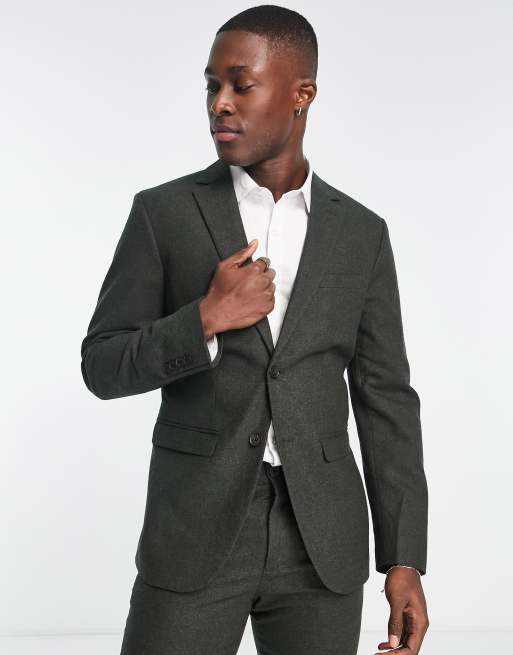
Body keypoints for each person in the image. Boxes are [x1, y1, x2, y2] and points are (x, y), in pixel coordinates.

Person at [81, 5, 429, 655]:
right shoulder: (164, 213)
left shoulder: (361, 234)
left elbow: (385, 397)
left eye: (241, 85)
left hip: (321, 540)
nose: (220, 103)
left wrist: (403, 558)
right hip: (193, 529)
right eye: (212, 86)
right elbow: (101, 364)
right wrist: (203, 319)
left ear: (302, 94)